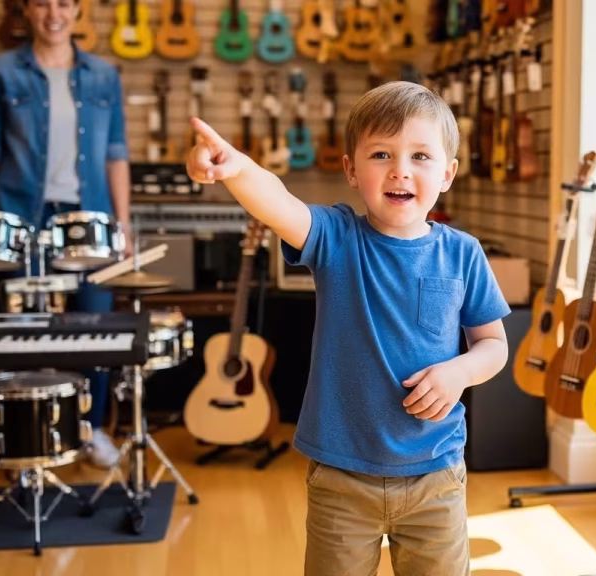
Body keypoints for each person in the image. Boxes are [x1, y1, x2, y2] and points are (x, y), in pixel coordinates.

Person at [186, 81, 511, 575]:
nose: (401, 168)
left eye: (420, 156)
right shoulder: (336, 237)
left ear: (447, 174)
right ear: (351, 170)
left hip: (437, 474)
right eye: (382, 153)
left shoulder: (463, 252)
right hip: (342, 475)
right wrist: (237, 168)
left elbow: (493, 345)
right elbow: (277, 200)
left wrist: (458, 373)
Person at [0, 0, 129, 469]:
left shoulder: (103, 75)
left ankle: (91, 427)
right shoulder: (0, 72)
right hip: (21, 221)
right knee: (25, 334)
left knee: (93, 328)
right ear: (27, 11)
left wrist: (123, 224)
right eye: (42, 3)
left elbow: (116, 154)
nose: (53, 14)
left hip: (88, 218)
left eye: (63, 3)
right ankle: (23, 438)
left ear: (78, 11)